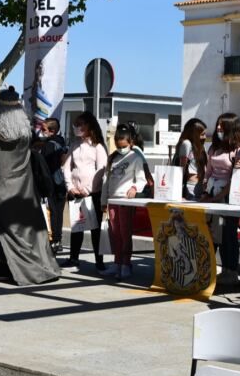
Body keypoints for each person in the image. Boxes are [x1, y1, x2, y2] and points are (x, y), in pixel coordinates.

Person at [0, 87, 60, 286]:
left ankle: (7, 268)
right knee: (27, 228)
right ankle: (44, 266)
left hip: (0, 184)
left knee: (1, 227)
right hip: (25, 185)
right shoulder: (25, 130)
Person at [99, 123, 151, 280]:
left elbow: (142, 178)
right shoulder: (112, 158)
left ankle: (126, 264)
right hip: (112, 199)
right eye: (118, 144)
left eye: (124, 145)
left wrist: (135, 188)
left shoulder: (135, 157)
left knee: (125, 233)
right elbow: (105, 181)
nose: (120, 148)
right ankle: (116, 262)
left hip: (126, 201)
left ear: (131, 143)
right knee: (115, 233)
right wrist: (104, 201)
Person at [202, 112, 240, 285]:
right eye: (218, 124)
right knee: (211, 234)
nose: (218, 128)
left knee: (228, 235)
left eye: (222, 125)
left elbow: (236, 177)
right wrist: (206, 192)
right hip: (211, 195)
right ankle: (209, 269)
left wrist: (219, 197)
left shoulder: (239, 150)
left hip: (228, 198)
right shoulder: (214, 148)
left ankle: (230, 270)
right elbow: (208, 171)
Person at [61, 111, 108, 269]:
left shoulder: (98, 147)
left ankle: (99, 262)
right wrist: (70, 187)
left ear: (89, 126)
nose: (77, 127)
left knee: (95, 229)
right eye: (76, 124)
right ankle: (73, 258)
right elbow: (67, 167)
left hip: (92, 193)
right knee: (76, 227)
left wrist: (88, 189)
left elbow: (101, 170)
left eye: (81, 124)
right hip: (75, 192)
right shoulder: (74, 145)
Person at [33, 118, 68, 253]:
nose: (41, 132)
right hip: (61, 182)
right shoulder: (62, 142)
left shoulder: (49, 146)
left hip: (51, 183)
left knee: (52, 212)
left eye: (43, 129)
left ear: (52, 131)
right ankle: (58, 240)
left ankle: (53, 240)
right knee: (58, 213)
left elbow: (45, 166)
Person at [171, 118, 207, 200]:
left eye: (205, 134)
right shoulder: (186, 144)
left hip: (199, 186)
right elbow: (181, 170)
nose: (204, 137)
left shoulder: (200, 146)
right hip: (190, 187)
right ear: (193, 134)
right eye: (202, 134)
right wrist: (178, 191)